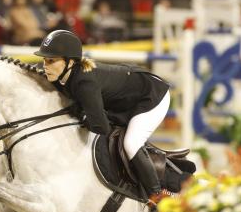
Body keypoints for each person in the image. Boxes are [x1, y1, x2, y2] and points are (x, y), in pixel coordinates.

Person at [34, 30, 172, 201]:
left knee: (131, 143)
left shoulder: (85, 83)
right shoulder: (63, 75)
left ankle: (156, 196)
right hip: (130, 93)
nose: (45, 65)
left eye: (51, 61)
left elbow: (101, 126)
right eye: (44, 60)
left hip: (151, 96)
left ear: (70, 62)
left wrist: (82, 114)